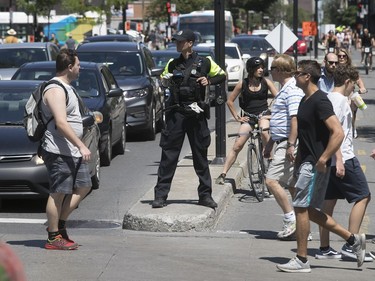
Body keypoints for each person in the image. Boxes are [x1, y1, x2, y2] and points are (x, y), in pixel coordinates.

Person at [276, 60, 366, 273]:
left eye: (298, 73)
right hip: (306, 162)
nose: (295, 76)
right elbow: (307, 136)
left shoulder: (320, 101)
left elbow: (338, 133)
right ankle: (353, 240)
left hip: (314, 164)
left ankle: (302, 259)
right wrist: (298, 159)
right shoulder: (305, 100)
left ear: (307, 76)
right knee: (306, 210)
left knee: (300, 208)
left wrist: (323, 159)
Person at [152, 30, 226, 209]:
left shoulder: (205, 62)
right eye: (177, 41)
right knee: (169, 156)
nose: (178, 44)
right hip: (176, 113)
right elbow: (162, 80)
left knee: (200, 157)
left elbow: (222, 75)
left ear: (190, 43)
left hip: (196, 113)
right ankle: (160, 196)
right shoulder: (172, 63)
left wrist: (208, 79)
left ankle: (205, 195)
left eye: (181, 41)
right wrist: (166, 80)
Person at [315, 64, 371, 261]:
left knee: (328, 203)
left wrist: (353, 108)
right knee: (363, 196)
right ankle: (352, 243)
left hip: (329, 159)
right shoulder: (339, 101)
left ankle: (324, 247)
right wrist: (339, 159)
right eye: (353, 85)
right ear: (347, 82)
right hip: (344, 158)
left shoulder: (328, 97)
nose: (354, 89)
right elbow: (335, 132)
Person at [40, 49, 92, 250]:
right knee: (58, 193)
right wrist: (81, 145)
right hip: (59, 149)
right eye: (78, 65)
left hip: (72, 150)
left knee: (84, 186)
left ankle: (59, 225)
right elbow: (61, 123)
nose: (80, 68)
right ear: (69, 67)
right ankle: (53, 237)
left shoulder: (67, 87)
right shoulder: (55, 89)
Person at [215, 57, 277, 185]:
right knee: (238, 145)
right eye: (258, 68)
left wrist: (271, 109)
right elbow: (229, 101)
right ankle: (223, 173)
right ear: (251, 69)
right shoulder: (242, 83)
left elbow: (279, 97)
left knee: (264, 132)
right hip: (249, 118)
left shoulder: (266, 82)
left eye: (262, 67)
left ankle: (269, 160)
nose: (261, 70)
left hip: (263, 115)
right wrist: (238, 117)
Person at [264, 54, 304, 240]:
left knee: (271, 181)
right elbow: (280, 121)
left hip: (288, 143)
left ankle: (291, 219)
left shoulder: (293, 90)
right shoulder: (285, 88)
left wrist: (290, 145)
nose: (269, 71)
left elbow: (294, 119)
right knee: (292, 186)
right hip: (281, 141)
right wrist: (270, 142)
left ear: (279, 70)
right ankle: (303, 225)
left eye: (272, 68)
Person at [337, 48, 367, 138]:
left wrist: (362, 88)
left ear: (347, 57)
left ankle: (352, 128)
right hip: (338, 94)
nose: (341, 58)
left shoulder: (351, 69)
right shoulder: (334, 67)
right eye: (339, 56)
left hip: (349, 95)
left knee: (352, 110)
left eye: (343, 56)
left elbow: (358, 80)